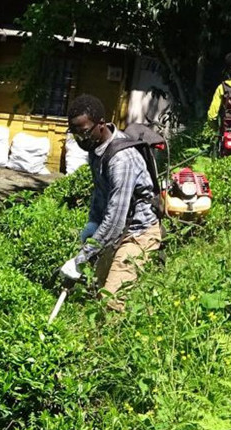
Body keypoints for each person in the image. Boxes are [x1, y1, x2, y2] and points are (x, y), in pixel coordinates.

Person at [59, 94, 162, 312]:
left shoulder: (121, 159)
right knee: (93, 291)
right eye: (75, 133)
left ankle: (113, 342)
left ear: (101, 125)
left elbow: (115, 220)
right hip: (118, 232)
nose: (80, 138)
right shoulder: (97, 149)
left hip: (138, 233)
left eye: (84, 132)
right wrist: (92, 224)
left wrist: (81, 258)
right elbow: (100, 192)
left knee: (111, 301)